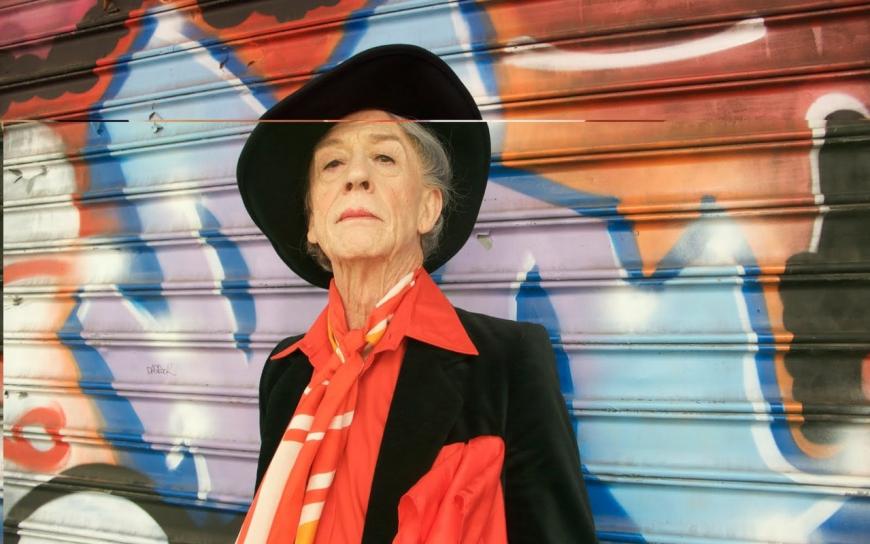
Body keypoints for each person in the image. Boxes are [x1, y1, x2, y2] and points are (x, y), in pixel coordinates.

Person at [233, 44, 597, 544]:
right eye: (332, 164)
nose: (356, 176)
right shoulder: (286, 371)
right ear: (313, 223)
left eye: (384, 157)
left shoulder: (507, 361)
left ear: (428, 208)